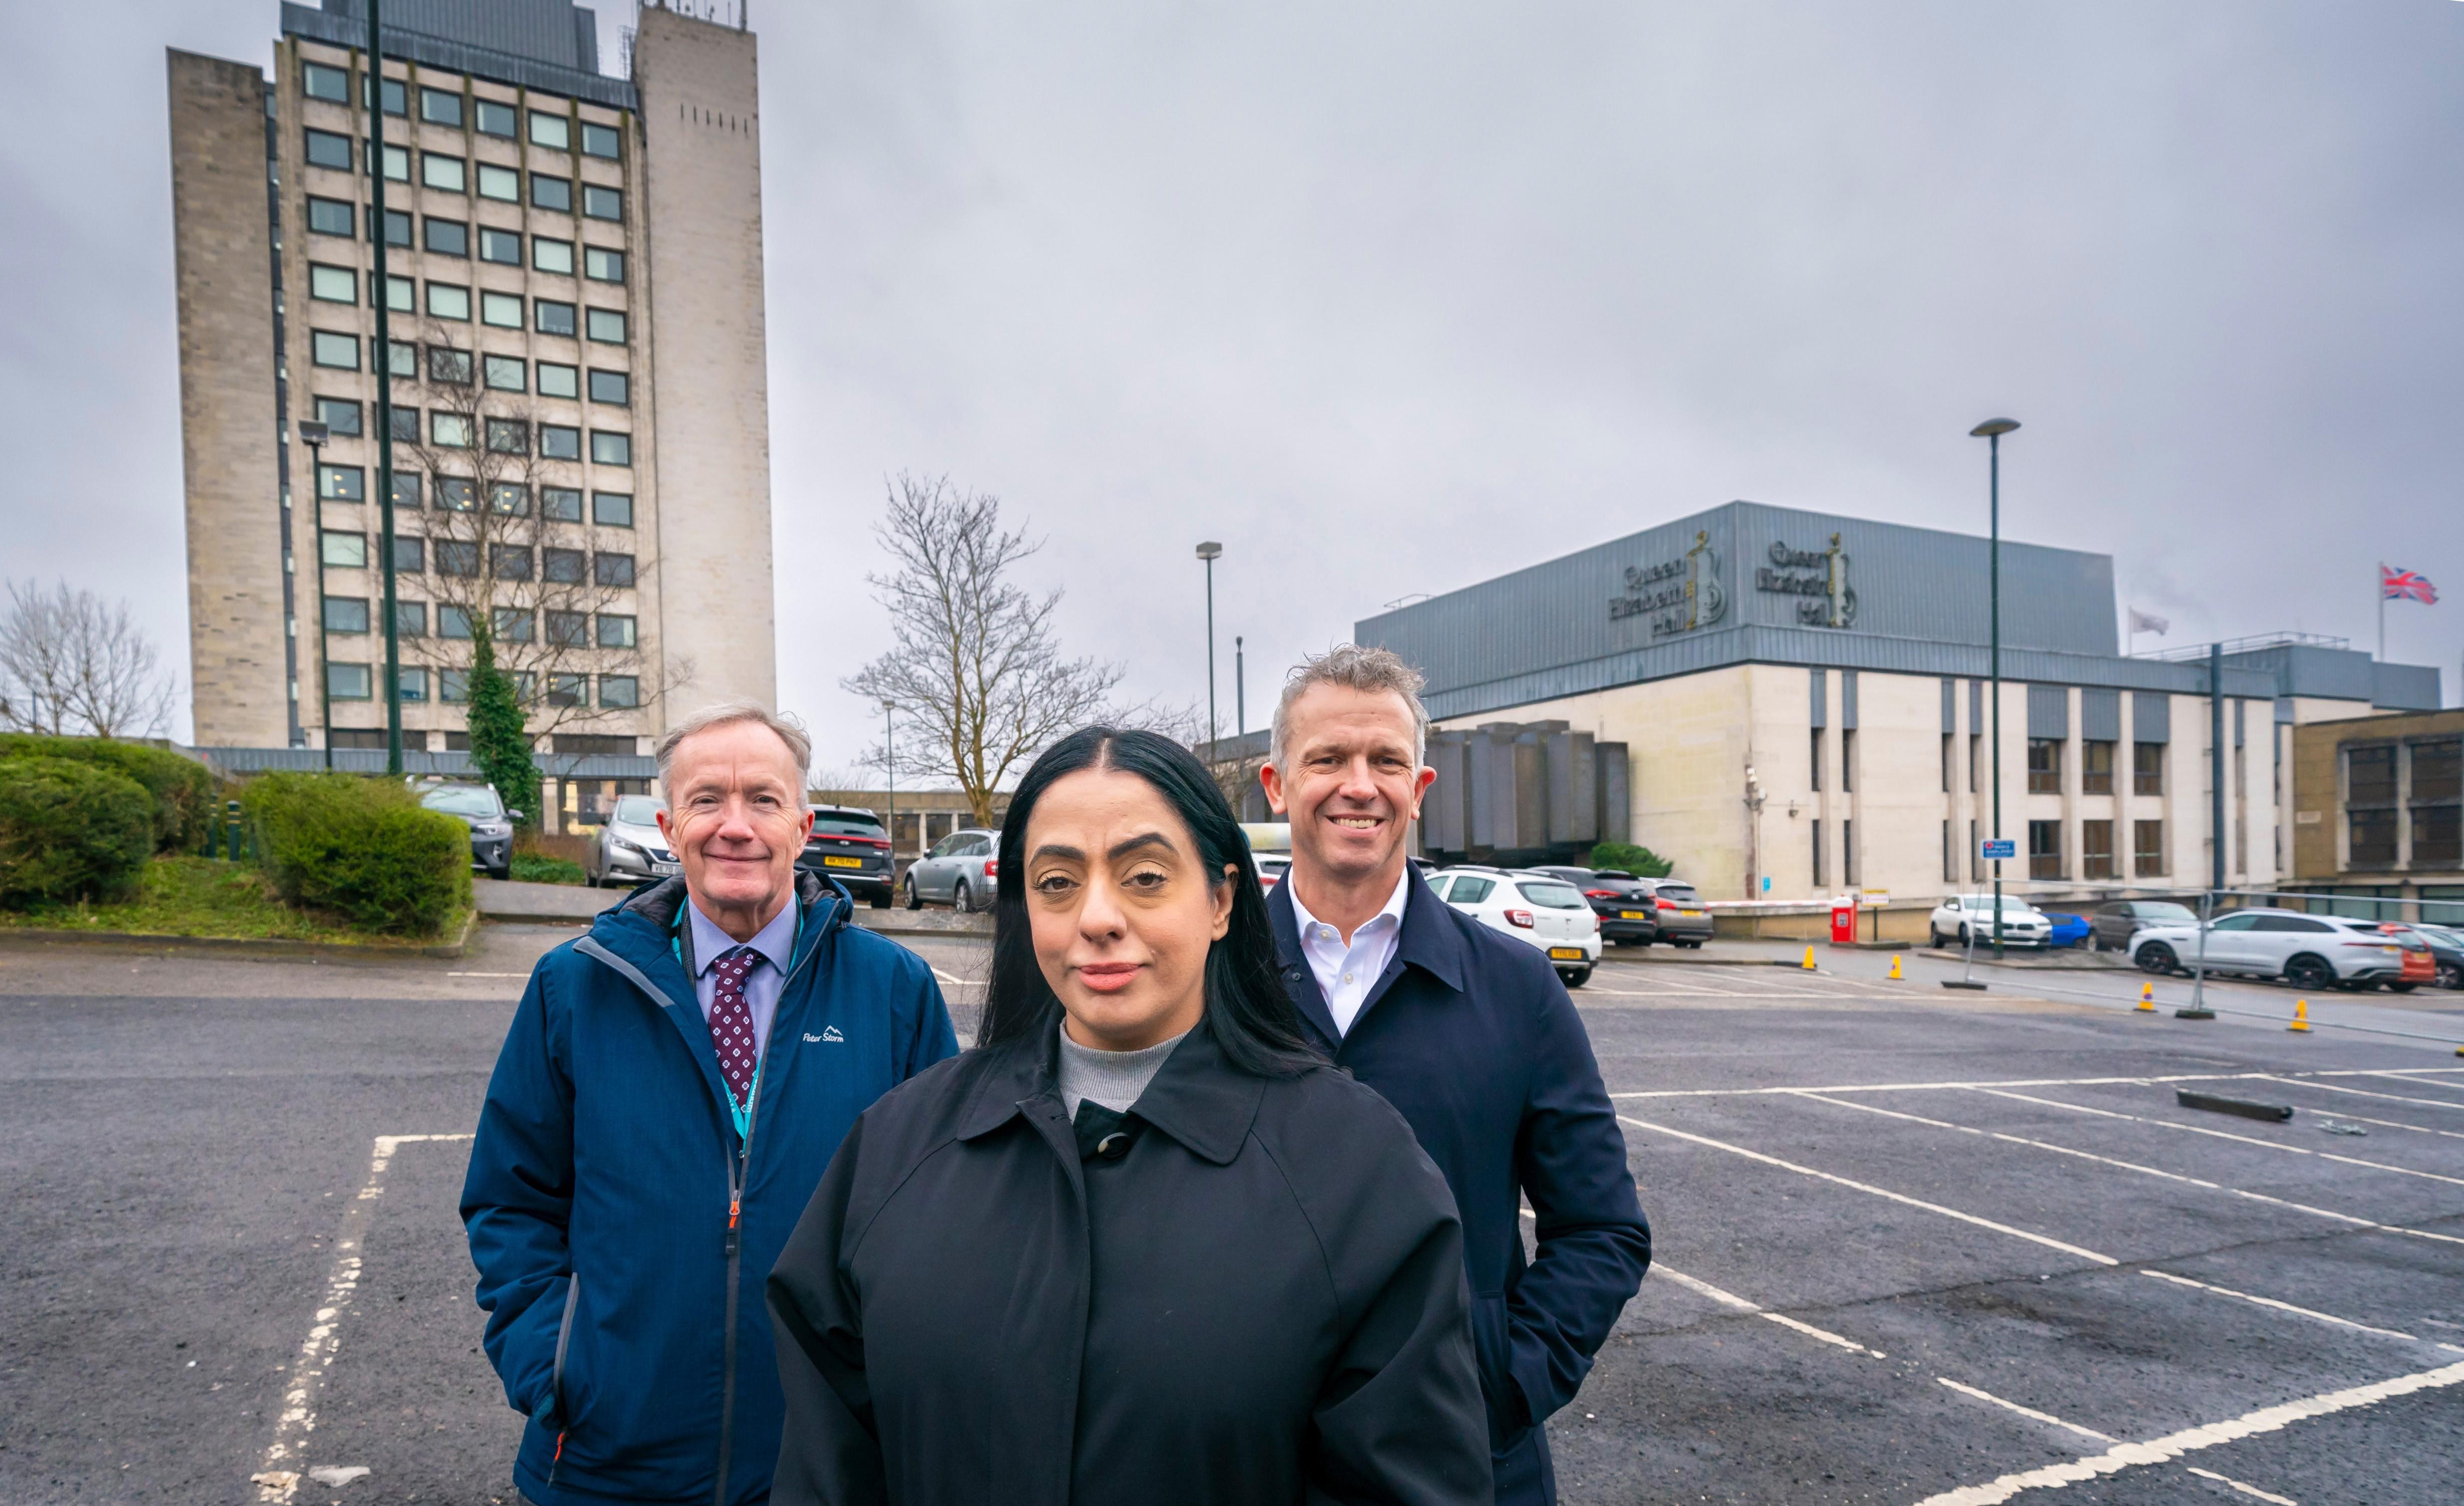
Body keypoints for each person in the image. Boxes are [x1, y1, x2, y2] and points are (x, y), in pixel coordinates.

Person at [766, 727, 1492, 1506]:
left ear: (1219, 899)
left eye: (1145, 876)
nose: (1098, 917)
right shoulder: (896, 1149)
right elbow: (827, 1469)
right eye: (1056, 882)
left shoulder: (1357, 1171)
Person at [462, 701, 959, 1506]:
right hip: (606, 1463)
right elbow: (510, 1198)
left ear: (802, 826)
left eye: (763, 799)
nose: (736, 826)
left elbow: (949, 1213)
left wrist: (892, 1394)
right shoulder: (575, 985)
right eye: (707, 800)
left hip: (823, 1468)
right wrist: (552, 1362)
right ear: (669, 824)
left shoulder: (894, 991)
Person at [1258, 646, 1652, 1506]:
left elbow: (1604, 1228)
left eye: (1385, 761)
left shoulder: (1516, 987)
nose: (1358, 785)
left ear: (1419, 787)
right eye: (1327, 758)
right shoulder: (1212, 980)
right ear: (1277, 783)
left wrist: (1505, 1384)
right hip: (1251, 1458)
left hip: (1469, 1468)